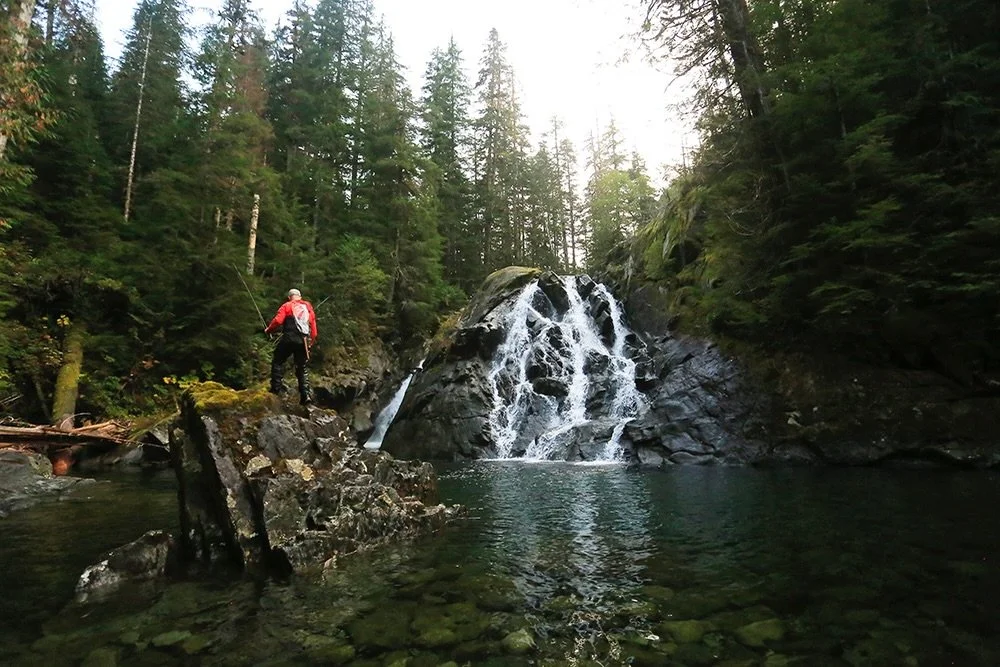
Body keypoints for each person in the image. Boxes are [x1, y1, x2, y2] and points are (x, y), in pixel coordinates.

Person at [264, 288, 317, 404]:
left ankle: (275, 390)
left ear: (289, 297)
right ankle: (306, 396)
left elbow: (278, 321)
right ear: (300, 297)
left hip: (288, 339)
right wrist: (310, 342)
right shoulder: (308, 308)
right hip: (303, 341)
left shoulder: (287, 306)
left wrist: (269, 330)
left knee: (278, 361)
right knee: (301, 367)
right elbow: (313, 329)